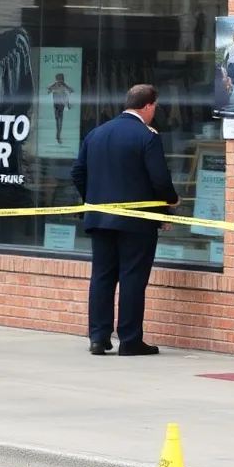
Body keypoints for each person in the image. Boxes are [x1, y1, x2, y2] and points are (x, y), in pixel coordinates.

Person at [71, 84, 180, 357]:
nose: (154, 113)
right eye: (154, 107)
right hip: (135, 223)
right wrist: (169, 203)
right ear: (148, 106)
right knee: (132, 278)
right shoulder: (147, 136)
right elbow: (159, 180)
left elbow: (77, 172)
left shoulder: (97, 133)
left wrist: (92, 200)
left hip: (99, 218)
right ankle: (130, 340)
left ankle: (98, 337)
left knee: (102, 277)